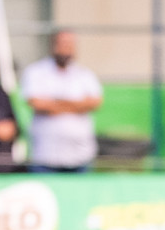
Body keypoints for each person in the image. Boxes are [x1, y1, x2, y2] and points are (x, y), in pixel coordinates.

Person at [21, 29, 103, 173]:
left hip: (80, 156)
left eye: (70, 45)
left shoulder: (85, 75)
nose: (66, 49)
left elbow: (94, 103)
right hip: (46, 156)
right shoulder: (36, 72)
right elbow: (37, 103)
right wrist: (77, 105)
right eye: (62, 44)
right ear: (52, 45)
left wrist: (54, 104)